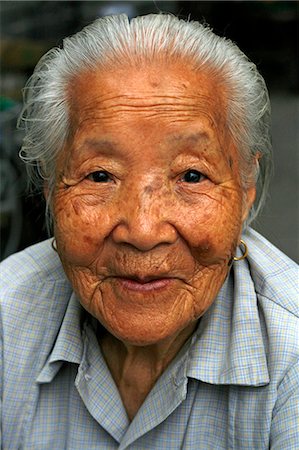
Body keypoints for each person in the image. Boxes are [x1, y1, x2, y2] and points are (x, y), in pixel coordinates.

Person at [0, 13, 298, 449]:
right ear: (50, 185)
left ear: (246, 185)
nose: (142, 230)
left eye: (192, 176)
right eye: (100, 176)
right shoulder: (8, 317)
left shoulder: (291, 357)